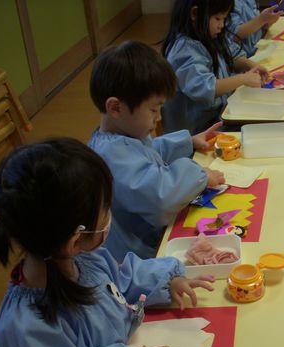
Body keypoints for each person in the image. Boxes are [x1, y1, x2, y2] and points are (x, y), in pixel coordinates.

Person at [0, 139, 215, 347]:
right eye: (105, 209)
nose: (109, 216)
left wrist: (167, 279)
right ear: (75, 239)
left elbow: (123, 279)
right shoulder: (28, 328)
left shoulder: (81, 260)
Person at [88, 40, 225, 262]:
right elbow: (161, 198)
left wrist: (188, 142)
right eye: (153, 109)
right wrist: (199, 174)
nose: (159, 117)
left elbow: (149, 152)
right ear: (115, 107)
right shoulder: (111, 155)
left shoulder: (121, 136)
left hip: (146, 240)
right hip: (136, 259)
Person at [161, 0, 269, 134]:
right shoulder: (183, 50)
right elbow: (206, 88)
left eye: (224, 19)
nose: (222, 25)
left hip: (219, 119)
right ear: (195, 14)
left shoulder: (211, 35)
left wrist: (251, 65)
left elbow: (232, 55)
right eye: (217, 18)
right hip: (195, 134)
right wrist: (243, 79)